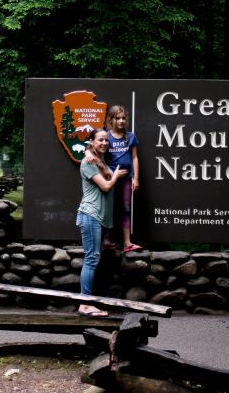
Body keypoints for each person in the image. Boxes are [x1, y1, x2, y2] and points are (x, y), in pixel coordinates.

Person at [76, 128, 127, 317]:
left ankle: (87, 302)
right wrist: (115, 176)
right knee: (91, 259)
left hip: (98, 218)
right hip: (90, 215)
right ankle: (85, 304)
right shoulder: (88, 162)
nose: (104, 143)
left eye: (107, 140)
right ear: (92, 142)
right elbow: (106, 186)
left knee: (94, 258)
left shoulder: (99, 161)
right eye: (100, 140)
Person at [105, 105, 143, 253]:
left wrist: (136, 178)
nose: (121, 121)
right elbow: (91, 148)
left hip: (127, 178)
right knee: (108, 208)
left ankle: (127, 242)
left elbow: (134, 158)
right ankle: (106, 240)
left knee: (126, 208)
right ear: (111, 119)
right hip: (111, 178)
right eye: (117, 118)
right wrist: (88, 154)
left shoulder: (130, 136)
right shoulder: (106, 136)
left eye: (123, 118)